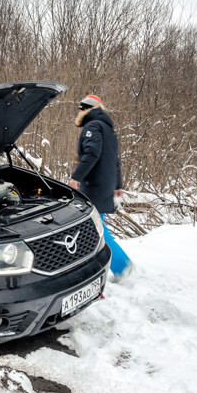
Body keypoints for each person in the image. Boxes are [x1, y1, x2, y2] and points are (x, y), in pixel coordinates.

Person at [68, 95, 133, 280]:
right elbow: (115, 159)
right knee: (94, 227)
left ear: (85, 109)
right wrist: (117, 184)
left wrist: (76, 177)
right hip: (105, 184)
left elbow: (92, 153)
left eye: (80, 109)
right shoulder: (108, 128)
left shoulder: (93, 126)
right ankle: (99, 266)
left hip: (94, 185)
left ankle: (122, 266)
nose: (78, 113)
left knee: (96, 229)